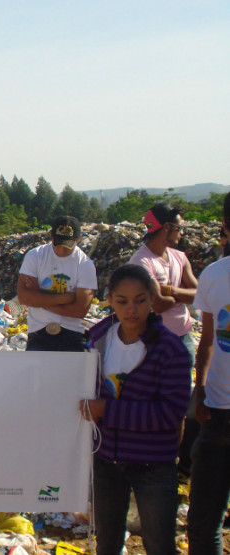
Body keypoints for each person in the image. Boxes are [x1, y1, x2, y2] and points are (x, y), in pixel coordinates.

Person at [80, 264, 190, 555]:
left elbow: (170, 413)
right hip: (106, 463)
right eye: (122, 301)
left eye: (140, 300)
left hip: (152, 464)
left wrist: (108, 410)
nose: (132, 310)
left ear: (152, 299)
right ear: (110, 300)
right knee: (107, 543)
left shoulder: (170, 350)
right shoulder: (96, 341)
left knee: (158, 543)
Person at [129, 202, 199, 475]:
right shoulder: (141, 261)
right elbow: (157, 305)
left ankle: (171, 459)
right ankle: (150, 458)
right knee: (153, 403)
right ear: (166, 227)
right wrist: (179, 295)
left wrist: (170, 290)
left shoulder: (179, 257)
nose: (181, 232)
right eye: (179, 226)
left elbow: (200, 294)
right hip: (155, 343)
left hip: (183, 340)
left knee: (179, 405)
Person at [187, 192, 230, 555]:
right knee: (202, 524)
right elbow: (208, 341)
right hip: (218, 412)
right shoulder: (215, 276)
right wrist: (200, 389)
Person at [17, 216, 97, 351]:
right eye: (58, 244)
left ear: (78, 239)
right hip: (38, 332)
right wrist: (66, 298)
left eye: (67, 246)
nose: (62, 250)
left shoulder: (85, 264)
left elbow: (79, 310)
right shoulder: (35, 256)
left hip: (71, 333)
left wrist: (39, 296)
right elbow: (24, 297)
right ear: (50, 236)